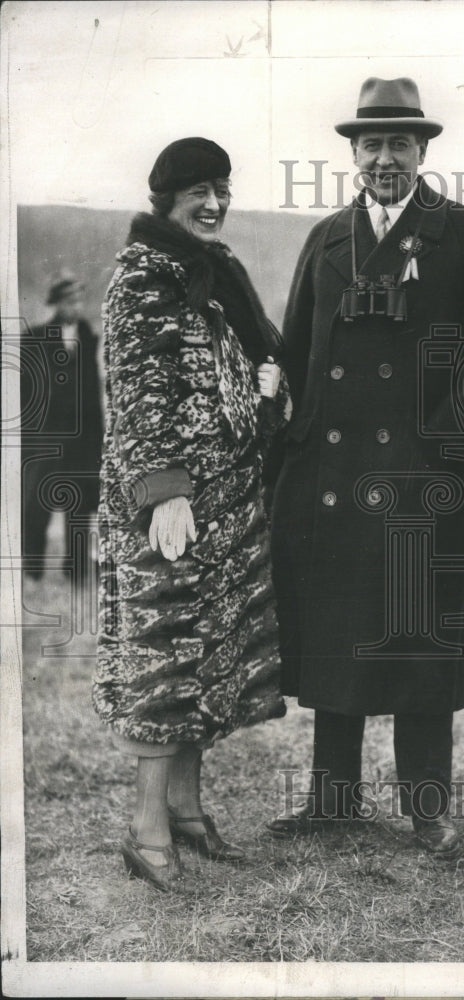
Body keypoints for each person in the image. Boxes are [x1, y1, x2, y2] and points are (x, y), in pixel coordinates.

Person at [268, 78, 464, 858]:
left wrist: (450, 442)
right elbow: (295, 353)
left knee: (415, 643)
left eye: (399, 144)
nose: (385, 158)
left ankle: (428, 808)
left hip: (420, 477)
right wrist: (295, 443)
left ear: (423, 151)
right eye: (371, 144)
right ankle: (333, 799)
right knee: (340, 632)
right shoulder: (326, 238)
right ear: (352, 152)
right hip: (334, 481)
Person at [93, 137, 291, 890]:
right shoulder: (144, 280)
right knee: (163, 656)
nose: (214, 203)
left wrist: (268, 381)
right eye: (198, 191)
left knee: (207, 659)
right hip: (168, 507)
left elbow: (241, 366)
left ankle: (185, 810)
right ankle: (146, 832)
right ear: (166, 200)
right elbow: (143, 395)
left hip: (225, 502)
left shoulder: (215, 272)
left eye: (222, 188)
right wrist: (165, 489)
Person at [21, 273, 103, 581]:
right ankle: (32, 571)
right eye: (69, 300)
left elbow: (94, 396)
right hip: (46, 442)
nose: (76, 306)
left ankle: (78, 571)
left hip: (83, 443)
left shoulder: (90, 339)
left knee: (80, 508)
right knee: (36, 507)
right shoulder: (35, 338)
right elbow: (25, 396)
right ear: (56, 303)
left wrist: (98, 442)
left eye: (79, 300)